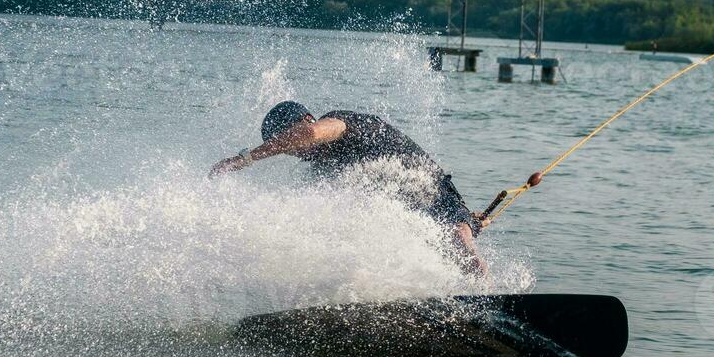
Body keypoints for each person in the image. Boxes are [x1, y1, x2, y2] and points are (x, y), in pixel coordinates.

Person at [210, 101, 544, 277]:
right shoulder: (322, 168)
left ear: (305, 119)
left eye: (286, 141)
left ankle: (489, 298)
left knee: (456, 235)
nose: (292, 150)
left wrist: (246, 158)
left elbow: (310, 135)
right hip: (399, 206)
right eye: (285, 146)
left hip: (429, 189)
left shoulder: (336, 122)